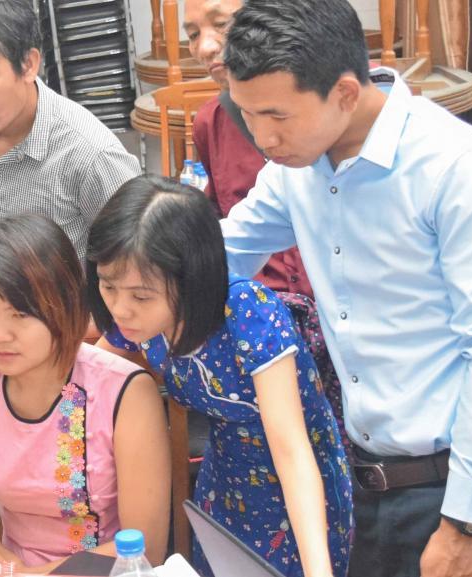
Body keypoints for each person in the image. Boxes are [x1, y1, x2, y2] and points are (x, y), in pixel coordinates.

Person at [219, 1, 472, 575]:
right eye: (246, 113)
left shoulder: (454, 167)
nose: (261, 137)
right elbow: (225, 252)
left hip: (467, 495)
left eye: (276, 115)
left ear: (346, 93)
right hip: (370, 486)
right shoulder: (296, 169)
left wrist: (464, 524)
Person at [90, 175, 352, 577]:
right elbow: (93, 373)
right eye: (109, 287)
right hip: (226, 478)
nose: (121, 309)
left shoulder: (248, 313)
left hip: (298, 489)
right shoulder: (135, 322)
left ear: (191, 279)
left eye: (141, 295)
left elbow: (292, 452)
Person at [0, 214, 170, 573]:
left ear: (64, 305)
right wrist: (12, 572)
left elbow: (147, 545)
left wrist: (33, 576)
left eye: (19, 315)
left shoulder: (125, 393)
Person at [0, 0, 141, 374]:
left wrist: (88, 359)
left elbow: (142, 276)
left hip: (55, 364)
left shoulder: (91, 155)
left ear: (28, 64)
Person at [182, 0, 338, 426]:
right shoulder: (211, 122)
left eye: (221, 25)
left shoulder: (334, 100)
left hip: (336, 325)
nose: (206, 47)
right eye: (193, 34)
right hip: (260, 328)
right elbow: (231, 238)